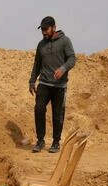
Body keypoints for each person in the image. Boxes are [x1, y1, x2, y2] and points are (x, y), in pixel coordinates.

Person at [29, 16, 76, 154]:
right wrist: (32, 81)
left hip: (59, 86)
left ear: (54, 28)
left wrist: (63, 69)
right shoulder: (41, 45)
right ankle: (40, 140)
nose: (43, 32)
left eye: (46, 29)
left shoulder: (65, 41)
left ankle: (56, 142)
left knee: (57, 115)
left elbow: (72, 58)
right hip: (44, 83)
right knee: (38, 109)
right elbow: (37, 64)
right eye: (42, 29)